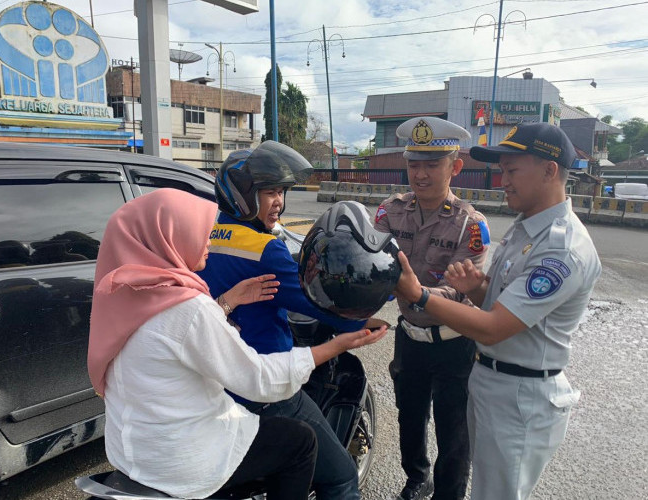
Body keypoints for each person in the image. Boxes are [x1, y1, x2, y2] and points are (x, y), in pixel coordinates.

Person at [87, 188, 388, 500]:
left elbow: (166, 339)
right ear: (169, 237)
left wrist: (228, 302)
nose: (208, 241)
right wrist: (337, 345)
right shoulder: (190, 305)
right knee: (302, 443)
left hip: (134, 452)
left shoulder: (123, 294)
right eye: (200, 232)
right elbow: (259, 379)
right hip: (180, 459)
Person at [394, 122, 602, 500]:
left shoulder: (561, 248)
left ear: (549, 170)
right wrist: (478, 288)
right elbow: (504, 299)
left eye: (511, 171)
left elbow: (493, 327)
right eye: (502, 171)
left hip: (521, 396)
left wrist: (419, 296)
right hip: (492, 380)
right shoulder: (526, 230)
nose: (502, 181)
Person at [199, 141, 385, 500]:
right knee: (342, 476)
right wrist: (369, 312)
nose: (279, 202)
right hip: (266, 385)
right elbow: (317, 300)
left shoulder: (206, 234)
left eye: (282, 191)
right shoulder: (263, 249)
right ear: (241, 194)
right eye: (269, 192)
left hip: (216, 381)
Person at [373, 117, 490, 500]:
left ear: (455, 167)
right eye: (413, 164)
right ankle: (417, 478)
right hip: (409, 336)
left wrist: (415, 291)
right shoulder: (390, 211)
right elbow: (372, 261)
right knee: (410, 418)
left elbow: (462, 293)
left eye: (431, 164)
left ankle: (448, 494)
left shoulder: (469, 225)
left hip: (455, 342)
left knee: (454, 432)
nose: (420, 174)